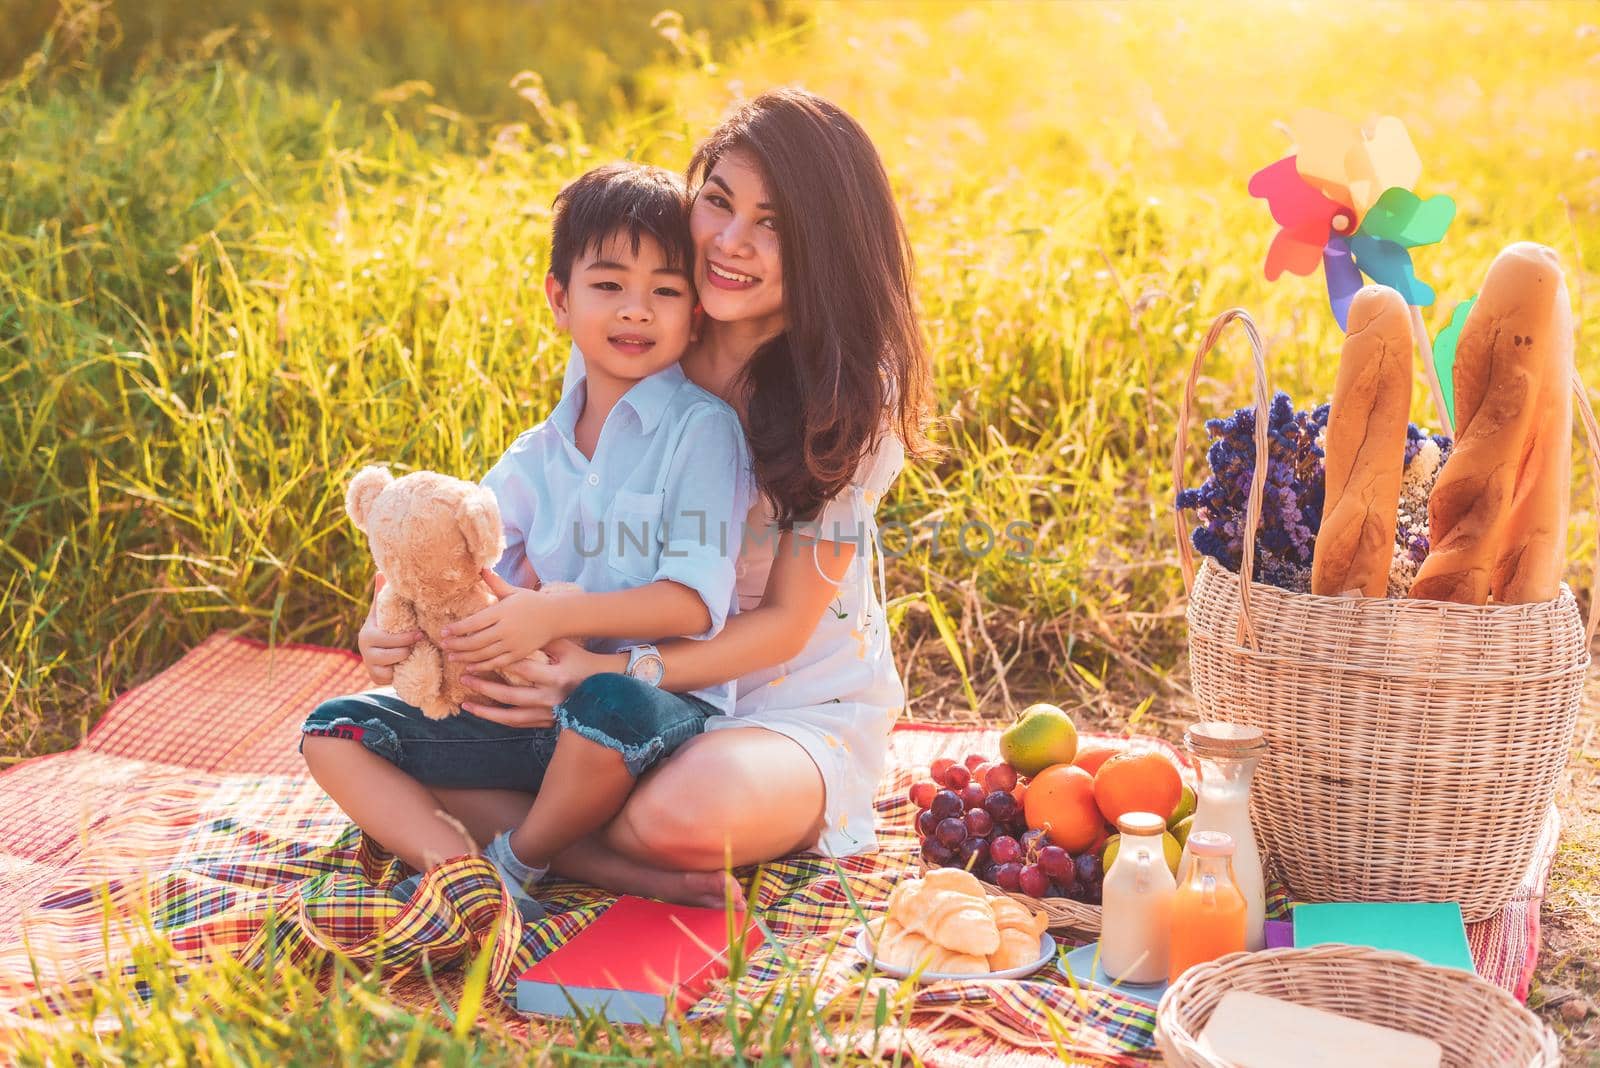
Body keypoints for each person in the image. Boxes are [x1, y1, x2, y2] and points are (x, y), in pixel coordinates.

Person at [433, 88, 936, 906]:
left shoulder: (848, 398)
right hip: (605, 687)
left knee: (681, 814)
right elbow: (551, 505)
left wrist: (602, 669)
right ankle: (586, 845)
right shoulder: (643, 325)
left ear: (827, 244)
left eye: (773, 224)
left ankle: (554, 834)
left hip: (782, 709)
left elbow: (783, 627)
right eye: (719, 203)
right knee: (390, 729)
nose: (731, 243)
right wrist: (437, 623)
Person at [299, 162, 752, 916]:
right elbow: (453, 567)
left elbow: (691, 602)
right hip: (530, 718)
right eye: (608, 285)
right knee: (334, 731)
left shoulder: (702, 432)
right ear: (559, 299)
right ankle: (459, 877)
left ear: (695, 313)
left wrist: (555, 622)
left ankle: (517, 861)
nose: (636, 311)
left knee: (609, 700)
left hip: (649, 718)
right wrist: (386, 629)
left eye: (666, 290)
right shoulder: (532, 456)